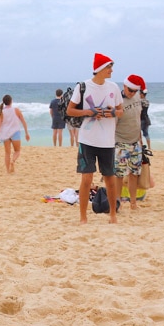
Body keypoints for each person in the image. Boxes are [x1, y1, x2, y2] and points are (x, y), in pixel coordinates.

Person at [66, 53, 124, 224]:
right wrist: (88, 112)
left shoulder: (113, 87)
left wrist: (110, 112)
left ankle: (113, 214)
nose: (111, 70)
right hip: (87, 140)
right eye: (109, 67)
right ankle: (83, 217)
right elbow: (70, 110)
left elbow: (121, 111)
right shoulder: (83, 87)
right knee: (86, 179)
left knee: (110, 179)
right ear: (100, 69)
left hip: (107, 141)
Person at [116, 75, 146, 210]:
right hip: (120, 143)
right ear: (124, 86)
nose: (132, 93)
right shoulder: (118, 101)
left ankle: (133, 202)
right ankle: (117, 202)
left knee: (134, 173)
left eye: (135, 90)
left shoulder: (137, 97)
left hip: (136, 143)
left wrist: (140, 138)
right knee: (119, 175)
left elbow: (138, 118)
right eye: (130, 90)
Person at [0, 94, 29, 173]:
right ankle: (13, 161)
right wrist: (26, 133)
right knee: (17, 151)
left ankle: (7, 171)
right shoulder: (16, 110)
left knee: (7, 153)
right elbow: (23, 121)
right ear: (11, 101)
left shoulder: (1, 112)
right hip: (15, 133)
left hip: (5, 134)